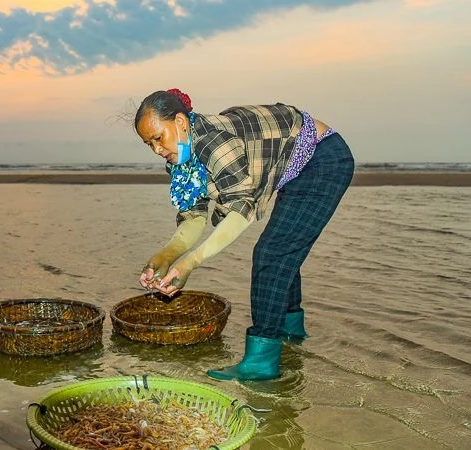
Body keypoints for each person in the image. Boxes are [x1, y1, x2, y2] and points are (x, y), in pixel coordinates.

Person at [134, 88, 355, 381]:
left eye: (158, 138)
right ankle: (290, 332)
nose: (157, 150)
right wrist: (166, 256)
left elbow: (241, 212)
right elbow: (193, 217)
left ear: (180, 122)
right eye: (148, 144)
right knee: (282, 248)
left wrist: (191, 262)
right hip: (291, 167)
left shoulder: (214, 142)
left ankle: (261, 362)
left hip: (322, 159)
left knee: (272, 253)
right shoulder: (181, 158)